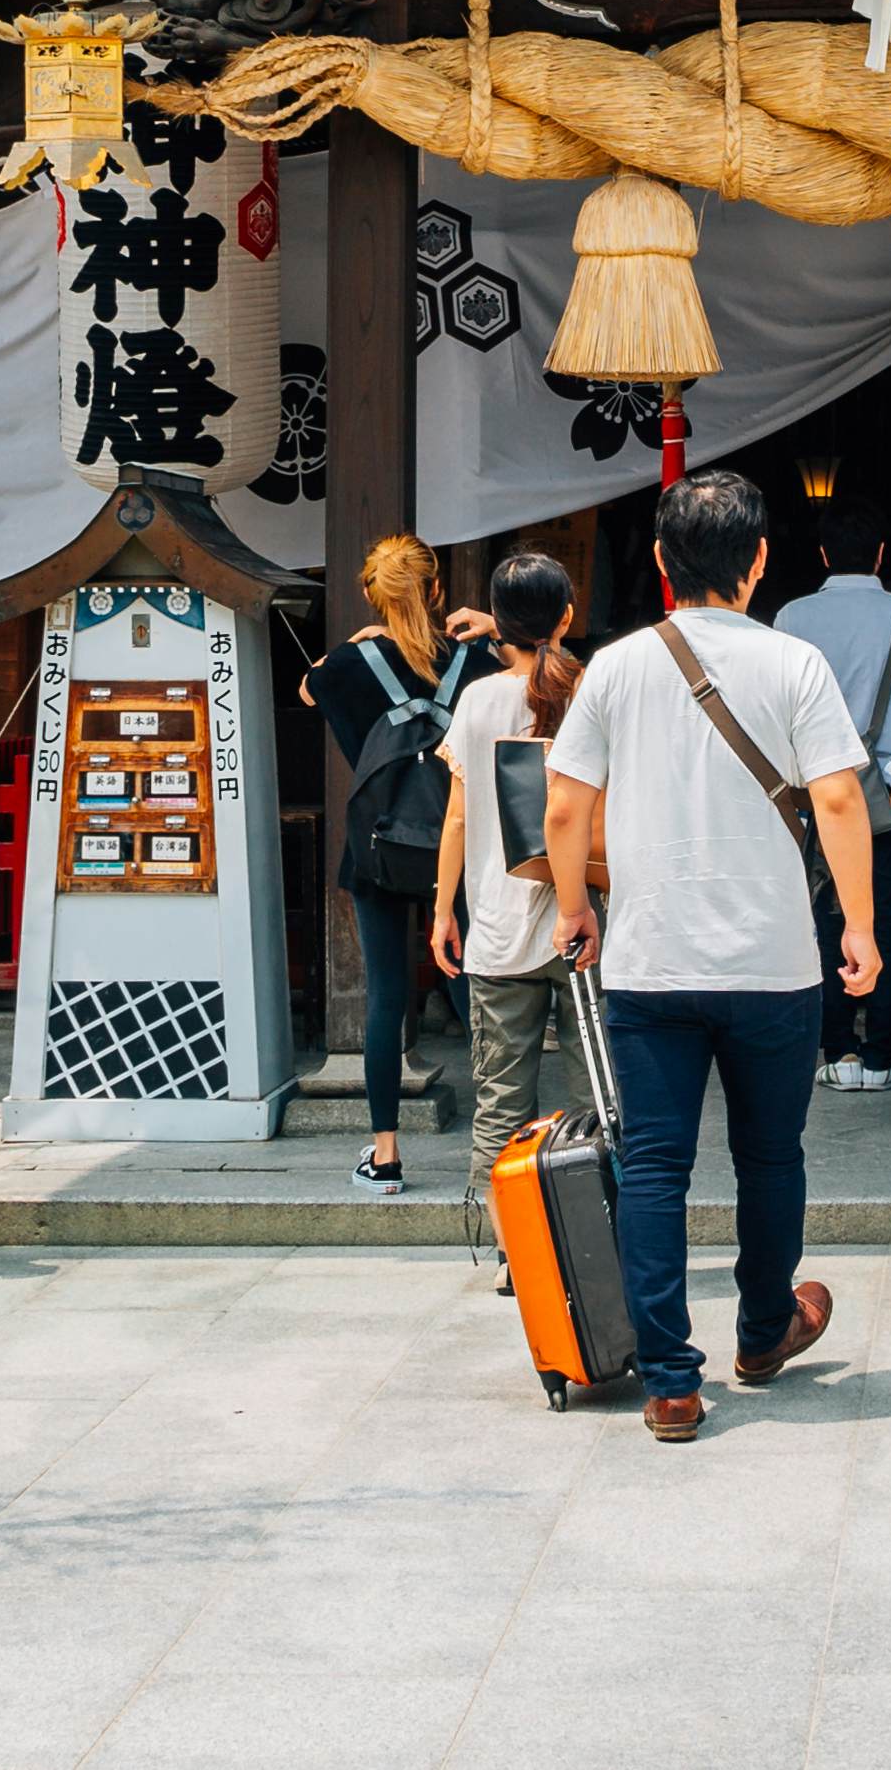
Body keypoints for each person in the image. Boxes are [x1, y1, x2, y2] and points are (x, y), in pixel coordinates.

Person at [545, 471, 883, 1442]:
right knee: (770, 1153)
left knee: (655, 1164)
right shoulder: (795, 662)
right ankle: (765, 1328)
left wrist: (575, 905)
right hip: (775, 959)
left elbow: (565, 804)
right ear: (761, 559)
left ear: (659, 560)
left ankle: (671, 1380)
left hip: (651, 960)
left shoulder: (615, 666)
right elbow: (839, 800)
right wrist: (858, 925)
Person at [311, 534, 488, 1191]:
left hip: (379, 848)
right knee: (475, 988)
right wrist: (494, 627)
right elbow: (541, 672)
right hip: (458, 840)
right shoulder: (474, 659)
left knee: (387, 995)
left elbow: (308, 689)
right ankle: (499, 1140)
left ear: (370, 594)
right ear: (438, 590)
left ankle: (385, 1157)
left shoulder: (352, 663)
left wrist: (362, 638)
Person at [432, 551, 587, 1269]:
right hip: (584, 919)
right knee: (596, 1100)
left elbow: (459, 816)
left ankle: (513, 1256)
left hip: (497, 923)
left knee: (500, 1101)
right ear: (567, 615)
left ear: (499, 623)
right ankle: (598, 1246)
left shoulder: (478, 700)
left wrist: (443, 910)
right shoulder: (587, 689)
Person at [781, 504, 891, 1091]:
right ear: (880, 556)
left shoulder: (793, 617)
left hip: (815, 798)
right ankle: (880, 1057)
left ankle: (837, 1054)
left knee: (827, 924)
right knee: (888, 927)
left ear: (822, 556)